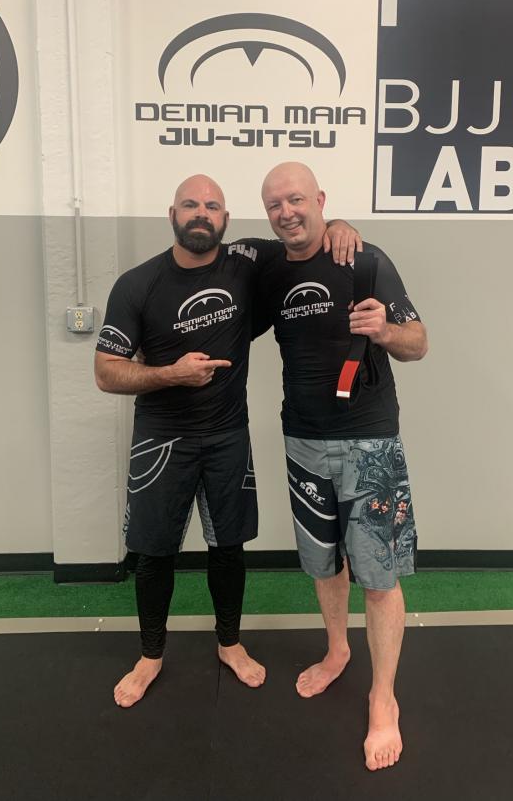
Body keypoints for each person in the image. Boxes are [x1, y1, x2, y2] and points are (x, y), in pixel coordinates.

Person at [94, 173, 359, 708]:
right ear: (172, 214)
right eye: (190, 204)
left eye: (212, 206)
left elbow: (301, 237)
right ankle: (150, 656)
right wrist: (169, 374)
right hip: (161, 441)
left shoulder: (247, 260)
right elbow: (106, 372)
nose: (201, 213)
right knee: (153, 553)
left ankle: (230, 644)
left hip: (226, 436)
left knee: (228, 548)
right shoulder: (137, 284)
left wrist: (338, 224)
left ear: (226, 219)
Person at [257, 162, 428, 771]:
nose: (287, 212)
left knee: (378, 577)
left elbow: (419, 341)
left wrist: (385, 331)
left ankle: (384, 697)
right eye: (274, 204)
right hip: (302, 439)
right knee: (323, 563)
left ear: (320, 199)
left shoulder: (365, 259)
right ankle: (337, 651)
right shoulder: (270, 270)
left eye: (296, 199)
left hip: (368, 442)